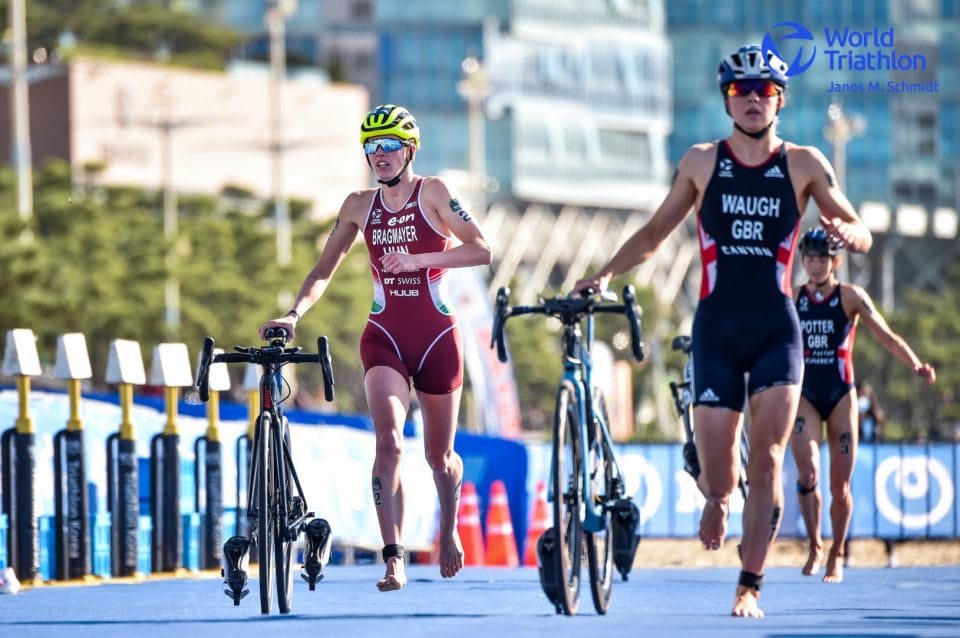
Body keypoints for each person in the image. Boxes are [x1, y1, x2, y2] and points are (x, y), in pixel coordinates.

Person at [572, 44, 872, 617]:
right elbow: (655, 233)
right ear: (727, 100)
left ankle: (749, 584)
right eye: (741, 90)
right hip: (716, 329)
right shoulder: (702, 162)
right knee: (719, 475)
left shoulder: (804, 164)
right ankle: (717, 499)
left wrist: (853, 235)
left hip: (776, 331)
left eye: (764, 90)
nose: (753, 99)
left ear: (780, 100)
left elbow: (856, 224)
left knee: (768, 460)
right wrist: (605, 273)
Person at [260, 104, 492, 591]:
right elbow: (323, 269)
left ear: (410, 150)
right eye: (371, 147)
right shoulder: (358, 205)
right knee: (388, 440)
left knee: (439, 458)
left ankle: (448, 529)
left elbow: (481, 249)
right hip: (384, 336)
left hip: (437, 339)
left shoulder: (435, 193)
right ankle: (394, 557)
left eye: (388, 145)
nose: (379, 155)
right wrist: (293, 314)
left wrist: (418, 260)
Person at [791, 228, 935, 583]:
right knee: (808, 474)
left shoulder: (851, 296)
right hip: (806, 396)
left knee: (840, 487)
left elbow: (886, 336)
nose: (815, 265)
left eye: (821, 259)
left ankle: (837, 552)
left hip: (841, 395)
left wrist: (915, 364)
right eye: (809, 259)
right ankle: (815, 544)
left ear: (835, 261)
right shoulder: (794, 297)